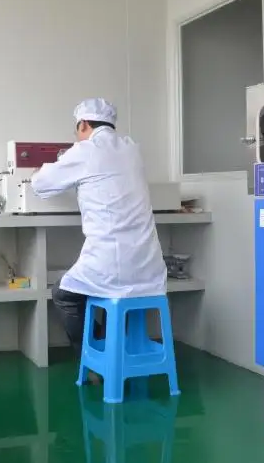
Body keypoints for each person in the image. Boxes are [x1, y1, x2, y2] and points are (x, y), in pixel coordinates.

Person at [31, 98, 167, 368]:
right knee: (109, 297)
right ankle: (113, 350)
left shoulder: (86, 150)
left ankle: (94, 359)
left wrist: (43, 168)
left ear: (83, 124)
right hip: (148, 264)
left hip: (110, 262)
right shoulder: (131, 148)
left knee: (63, 295)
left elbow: (40, 184)